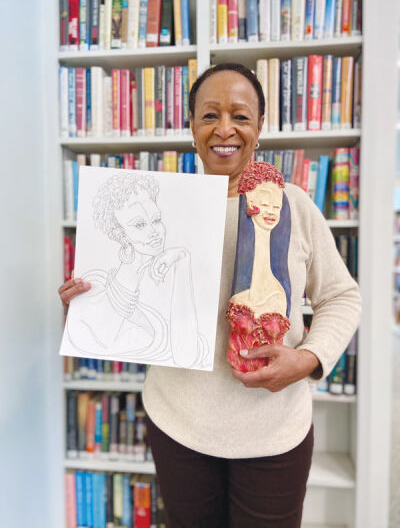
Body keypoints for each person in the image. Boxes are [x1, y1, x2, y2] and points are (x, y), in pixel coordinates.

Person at [59, 63, 361, 527]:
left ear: (260, 127)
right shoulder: (163, 208)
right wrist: (88, 305)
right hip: (178, 426)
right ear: (192, 127)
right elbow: (136, 310)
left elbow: (342, 296)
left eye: (240, 116)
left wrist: (310, 359)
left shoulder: (293, 205)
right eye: (209, 115)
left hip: (273, 434)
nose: (225, 129)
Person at [63, 171, 209, 368]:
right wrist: (74, 308)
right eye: (139, 225)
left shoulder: (163, 281)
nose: (155, 232)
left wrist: (183, 261)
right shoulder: (95, 287)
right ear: (120, 235)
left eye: (156, 220)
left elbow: (186, 356)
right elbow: (100, 340)